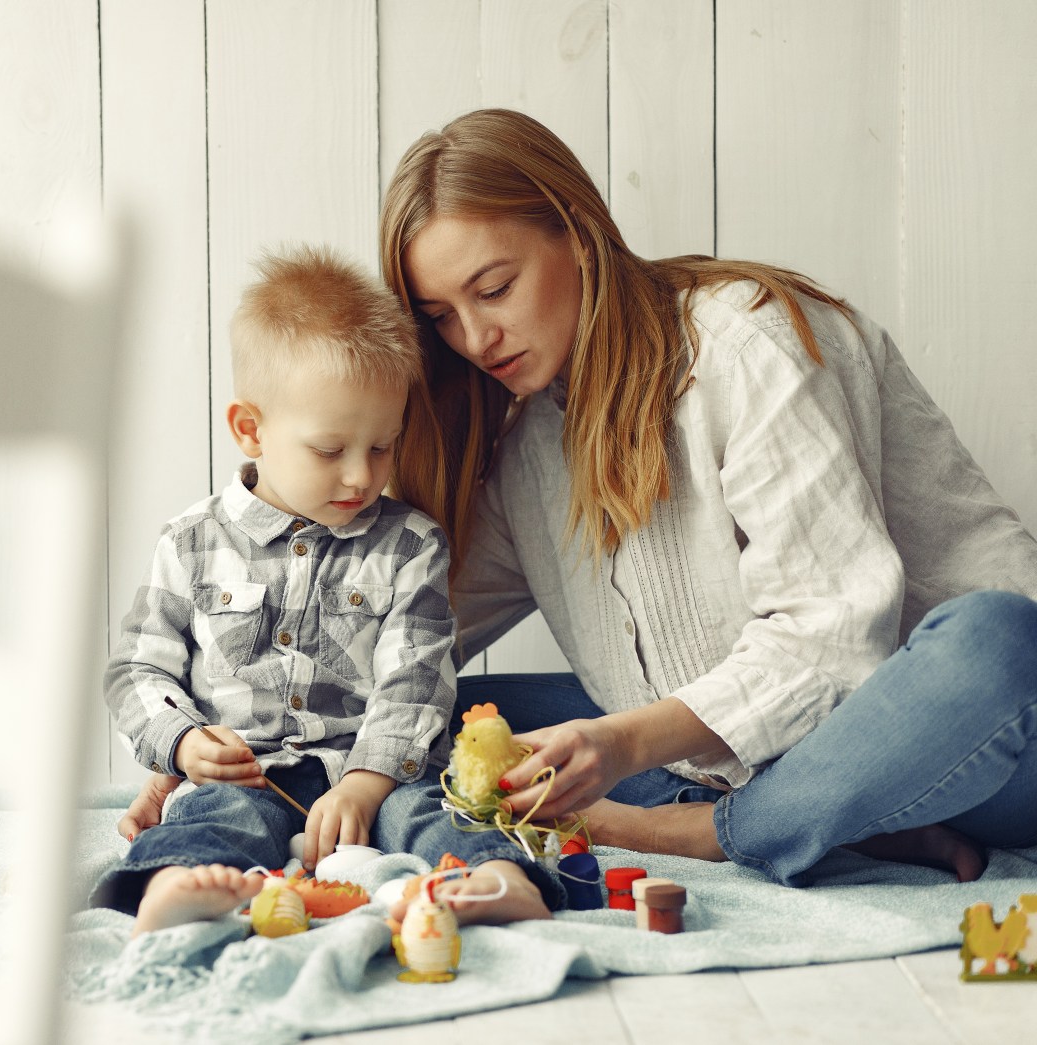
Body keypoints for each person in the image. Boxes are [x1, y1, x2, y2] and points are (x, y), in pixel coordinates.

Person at [375, 107, 1037, 887]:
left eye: (494, 289)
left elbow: (833, 641)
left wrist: (622, 744)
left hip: (979, 734)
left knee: (997, 637)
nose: (475, 339)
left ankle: (709, 829)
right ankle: (834, 821)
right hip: (774, 762)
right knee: (427, 718)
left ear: (578, 233)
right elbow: (416, 625)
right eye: (442, 318)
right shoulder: (529, 447)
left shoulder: (749, 343)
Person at [94, 246, 559, 935]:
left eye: (382, 447)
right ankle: (174, 885)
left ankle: (504, 879)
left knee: (429, 809)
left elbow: (416, 681)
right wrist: (182, 743)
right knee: (213, 813)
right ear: (251, 430)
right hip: (250, 773)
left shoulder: (410, 546)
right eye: (330, 449)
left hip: (377, 769)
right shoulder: (190, 543)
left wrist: (366, 783)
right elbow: (137, 669)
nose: (360, 476)